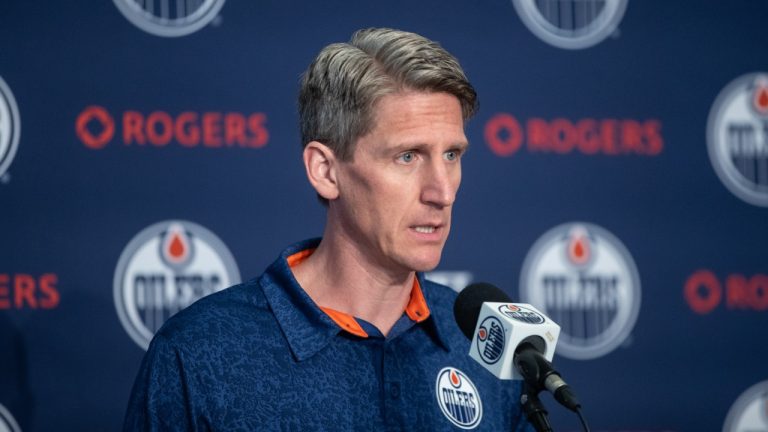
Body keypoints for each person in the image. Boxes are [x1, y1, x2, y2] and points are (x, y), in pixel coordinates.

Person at [124, 27, 531, 431]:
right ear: (325, 171)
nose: (442, 192)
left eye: (452, 154)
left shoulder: (483, 344)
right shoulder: (198, 353)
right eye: (407, 156)